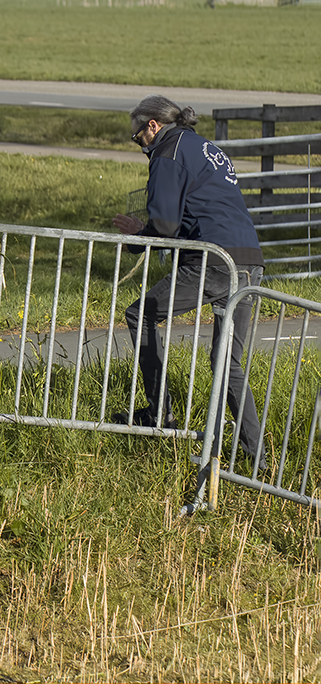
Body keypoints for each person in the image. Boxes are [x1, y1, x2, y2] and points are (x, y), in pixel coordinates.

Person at [111, 94, 266, 469]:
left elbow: (164, 226)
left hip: (212, 261)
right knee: (227, 362)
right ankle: (256, 458)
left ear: (153, 126)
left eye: (137, 138)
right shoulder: (204, 146)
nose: (140, 146)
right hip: (248, 260)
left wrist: (136, 237)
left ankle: (159, 414)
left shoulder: (167, 152)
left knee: (140, 315)